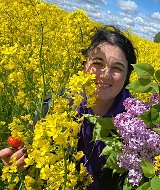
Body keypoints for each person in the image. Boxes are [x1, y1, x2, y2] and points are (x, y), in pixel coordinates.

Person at [0, 26, 137, 190]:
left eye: (117, 68)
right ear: (83, 65)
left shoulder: (138, 123)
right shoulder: (52, 106)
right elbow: (34, 160)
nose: (105, 74)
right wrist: (19, 164)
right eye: (97, 63)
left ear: (128, 75)